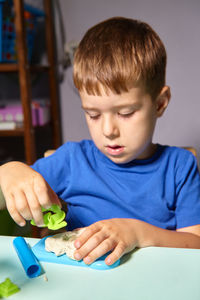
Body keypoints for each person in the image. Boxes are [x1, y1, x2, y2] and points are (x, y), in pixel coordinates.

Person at [0, 17, 200, 266]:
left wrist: (138, 233)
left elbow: (195, 243)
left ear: (160, 103)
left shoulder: (180, 167)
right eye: (93, 114)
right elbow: (11, 192)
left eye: (125, 113)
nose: (108, 130)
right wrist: (8, 172)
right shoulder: (72, 160)